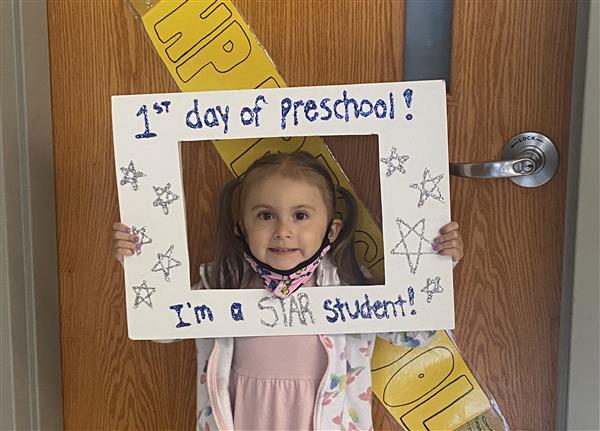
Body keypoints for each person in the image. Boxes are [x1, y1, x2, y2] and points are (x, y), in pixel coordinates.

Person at [112, 151, 464, 430]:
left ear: (331, 229)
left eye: (300, 216)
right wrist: (139, 263)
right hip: (244, 418)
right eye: (266, 216)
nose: (283, 230)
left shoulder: (346, 286)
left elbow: (414, 334)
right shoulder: (223, 282)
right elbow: (162, 327)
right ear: (242, 228)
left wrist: (437, 266)